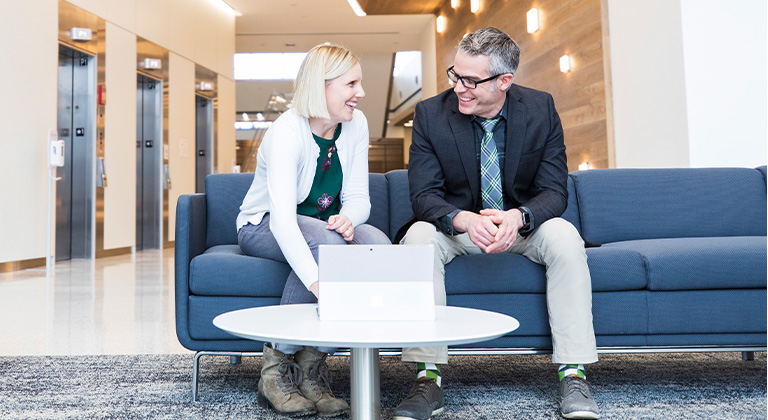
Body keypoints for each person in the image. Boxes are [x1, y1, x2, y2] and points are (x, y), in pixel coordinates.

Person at [393, 28, 600, 420]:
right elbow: (423, 195)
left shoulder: (540, 109)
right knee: (419, 237)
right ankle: (427, 378)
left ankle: (573, 374)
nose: (459, 88)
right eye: (455, 75)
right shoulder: (430, 115)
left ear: (505, 81)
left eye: (471, 81)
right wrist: (464, 219)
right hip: (457, 229)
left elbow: (555, 191)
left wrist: (518, 217)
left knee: (565, 235)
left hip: (520, 227)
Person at [236, 43, 391, 418]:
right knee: (325, 244)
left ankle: (310, 371)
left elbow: (358, 197)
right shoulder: (286, 133)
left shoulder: (356, 125)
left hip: (325, 229)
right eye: (351, 83)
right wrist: (319, 284)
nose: (361, 93)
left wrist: (351, 217)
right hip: (264, 224)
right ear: (321, 87)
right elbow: (284, 221)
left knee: (378, 245)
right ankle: (274, 374)